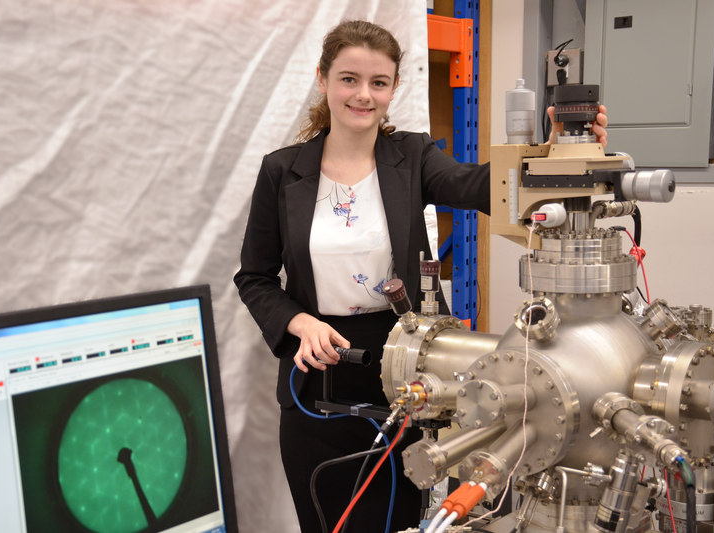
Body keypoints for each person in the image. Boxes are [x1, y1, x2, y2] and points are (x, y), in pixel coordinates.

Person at [234, 19, 608, 533]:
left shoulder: (412, 157)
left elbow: (479, 186)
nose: (363, 95)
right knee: (325, 519)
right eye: (349, 79)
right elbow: (253, 276)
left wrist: (555, 151)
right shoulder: (283, 171)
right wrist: (298, 322)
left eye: (378, 83)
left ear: (392, 89)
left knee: (400, 520)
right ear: (323, 80)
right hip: (316, 368)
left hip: (401, 366)